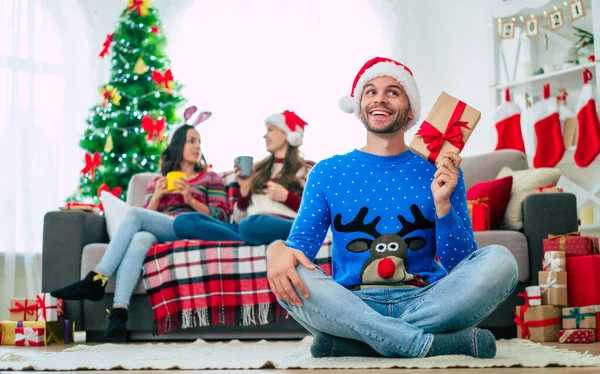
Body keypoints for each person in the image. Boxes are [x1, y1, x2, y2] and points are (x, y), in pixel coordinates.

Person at [265, 57, 518, 359]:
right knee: (286, 271)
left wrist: (443, 204)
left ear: (410, 110)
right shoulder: (327, 172)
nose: (380, 99)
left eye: (393, 92)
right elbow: (300, 250)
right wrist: (275, 250)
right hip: (352, 302)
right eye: (370, 91)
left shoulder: (440, 170)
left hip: (427, 300)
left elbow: (462, 263)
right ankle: (420, 344)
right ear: (359, 107)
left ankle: (363, 340)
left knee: (501, 261)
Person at [50, 106, 230, 338]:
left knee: (134, 215)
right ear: (177, 146)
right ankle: (118, 312)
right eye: (191, 141)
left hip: (193, 226)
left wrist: (190, 200)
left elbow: (222, 217)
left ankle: (96, 278)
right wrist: (156, 197)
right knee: (140, 237)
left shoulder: (210, 178)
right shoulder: (158, 181)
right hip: (164, 228)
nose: (197, 147)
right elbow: (144, 220)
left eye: (199, 141)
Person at [173, 110, 313, 245]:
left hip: (284, 224)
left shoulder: (306, 170)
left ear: (287, 134)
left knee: (250, 225)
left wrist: (286, 197)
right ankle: (244, 240)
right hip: (250, 226)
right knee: (184, 221)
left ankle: (245, 238)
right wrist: (245, 188)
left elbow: (314, 213)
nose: (265, 136)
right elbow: (238, 219)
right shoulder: (257, 170)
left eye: (270, 130)